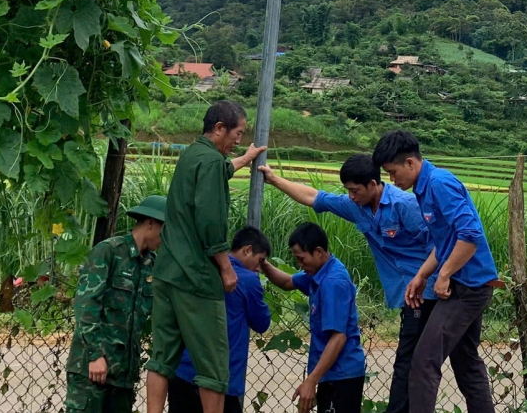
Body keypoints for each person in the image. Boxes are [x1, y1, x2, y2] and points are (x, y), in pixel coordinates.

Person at [259, 155, 434, 413]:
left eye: (355, 190)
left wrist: (436, 278)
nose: (351, 196)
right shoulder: (356, 207)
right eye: (348, 191)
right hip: (406, 295)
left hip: (426, 291)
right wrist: (274, 179)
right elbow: (315, 197)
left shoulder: (404, 205)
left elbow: (440, 242)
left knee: (412, 363)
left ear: (372, 184)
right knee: (414, 362)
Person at [146, 101, 267, 413]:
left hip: (167, 272)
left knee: (161, 358)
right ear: (219, 128)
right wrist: (226, 268)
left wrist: (246, 158)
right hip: (195, 276)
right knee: (214, 367)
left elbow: (223, 169)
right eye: (238, 133)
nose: (239, 139)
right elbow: (210, 222)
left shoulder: (193, 154)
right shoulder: (212, 161)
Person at [372, 130, 499, 413]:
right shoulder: (423, 188)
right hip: (467, 284)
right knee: (466, 363)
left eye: (392, 173)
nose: (392, 180)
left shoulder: (439, 183)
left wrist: (443, 275)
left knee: (424, 362)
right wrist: (422, 275)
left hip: (468, 288)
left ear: (410, 163)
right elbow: (445, 242)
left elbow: (470, 236)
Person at [65, 196, 169, 413]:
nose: (167, 238)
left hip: (123, 374)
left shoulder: (151, 264)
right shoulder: (109, 251)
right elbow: (86, 306)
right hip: (91, 370)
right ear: (151, 223)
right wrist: (95, 355)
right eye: (165, 230)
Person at [259, 222, 367, 413]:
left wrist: (311, 381)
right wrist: (263, 264)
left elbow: (338, 337)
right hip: (330, 374)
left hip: (342, 376)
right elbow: (287, 282)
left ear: (318, 252)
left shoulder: (333, 282)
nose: (299, 265)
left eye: (301, 259)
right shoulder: (318, 271)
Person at [169, 227, 274, 413]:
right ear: (247, 250)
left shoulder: (202, 269)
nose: (259, 268)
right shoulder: (248, 280)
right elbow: (262, 323)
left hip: (185, 371)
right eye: (260, 261)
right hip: (222, 378)